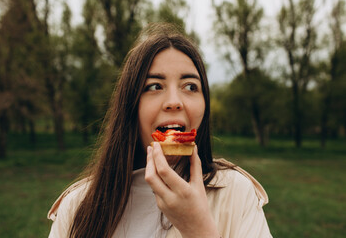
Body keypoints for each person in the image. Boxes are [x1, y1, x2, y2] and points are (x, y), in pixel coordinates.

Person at [47, 23, 273, 238]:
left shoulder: (237, 193)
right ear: (131, 105)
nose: (174, 102)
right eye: (154, 86)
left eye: (190, 86)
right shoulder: (77, 206)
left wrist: (198, 228)